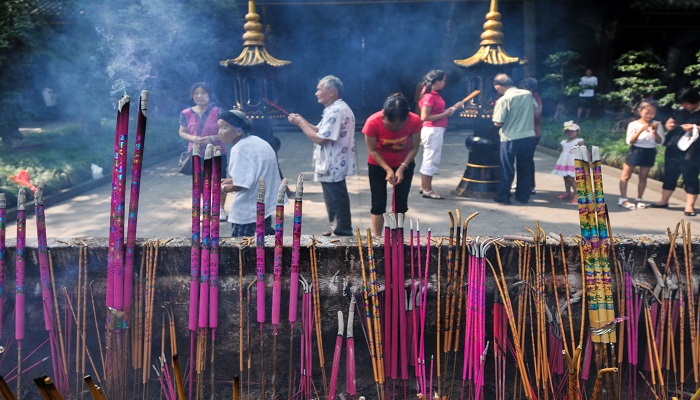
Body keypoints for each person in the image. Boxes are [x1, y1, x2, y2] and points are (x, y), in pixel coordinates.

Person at [287, 75, 355, 237]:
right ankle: (336, 227)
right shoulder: (333, 109)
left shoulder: (337, 110)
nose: (316, 93)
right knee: (333, 197)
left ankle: (342, 231)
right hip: (333, 162)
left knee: (336, 198)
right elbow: (320, 130)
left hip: (334, 162)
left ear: (331, 92)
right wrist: (301, 120)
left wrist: (301, 123)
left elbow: (320, 139)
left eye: (319, 89)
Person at [362, 93, 422, 236]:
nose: (396, 125)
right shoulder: (373, 122)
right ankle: (377, 239)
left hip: (404, 163)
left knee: (400, 204)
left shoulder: (414, 121)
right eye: (392, 121)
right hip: (378, 164)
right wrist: (388, 169)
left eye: (400, 122)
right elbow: (372, 150)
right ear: (384, 115)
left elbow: (414, 147)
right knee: (378, 204)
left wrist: (401, 168)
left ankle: (396, 237)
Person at [218, 109, 282, 236]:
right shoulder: (257, 141)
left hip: (248, 212)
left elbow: (241, 185)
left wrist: (224, 188)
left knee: (246, 251)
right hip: (264, 207)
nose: (219, 132)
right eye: (219, 128)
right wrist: (233, 180)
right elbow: (256, 173)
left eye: (224, 128)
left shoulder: (239, 149)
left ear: (238, 130)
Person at [179, 82, 229, 220]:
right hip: (196, 153)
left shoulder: (218, 112)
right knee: (200, 182)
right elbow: (182, 132)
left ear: (209, 95)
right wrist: (193, 138)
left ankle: (221, 209)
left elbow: (226, 132)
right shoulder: (186, 113)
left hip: (217, 151)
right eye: (196, 93)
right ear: (192, 96)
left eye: (203, 93)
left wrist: (212, 138)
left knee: (219, 180)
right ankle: (206, 209)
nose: (199, 96)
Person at [651, 88, 700, 216]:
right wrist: (669, 124)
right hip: (673, 146)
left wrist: (695, 128)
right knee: (670, 173)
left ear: (694, 101)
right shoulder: (680, 110)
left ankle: (690, 206)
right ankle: (664, 200)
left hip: (693, 150)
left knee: (690, 175)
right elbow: (671, 121)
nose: (683, 106)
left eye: (685, 103)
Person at [491, 73, 538, 205]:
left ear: (498, 86)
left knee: (507, 168)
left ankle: (504, 196)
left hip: (510, 138)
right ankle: (523, 197)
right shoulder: (527, 94)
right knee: (525, 167)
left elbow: (498, 122)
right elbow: (534, 107)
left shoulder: (503, 100)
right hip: (528, 136)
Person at [416, 70, 463, 199]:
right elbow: (425, 116)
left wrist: (452, 109)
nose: (444, 83)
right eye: (443, 80)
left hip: (435, 130)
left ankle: (424, 186)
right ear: (437, 81)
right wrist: (446, 114)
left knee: (429, 158)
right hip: (433, 130)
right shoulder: (429, 96)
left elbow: (439, 112)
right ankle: (427, 189)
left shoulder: (432, 94)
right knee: (431, 159)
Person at [618, 101, 664, 210]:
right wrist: (640, 130)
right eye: (647, 112)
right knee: (626, 176)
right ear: (640, 111)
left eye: (652, 113)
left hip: (649, 151)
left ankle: (639, 198)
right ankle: (623, 198)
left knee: (643, 177)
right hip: (635, 151)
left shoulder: (658, 124)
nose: (649, 115)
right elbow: (630, 141)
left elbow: (660, 142)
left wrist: (655, 132)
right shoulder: (633, 124)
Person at [519, 77, 542, 194]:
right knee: (522, 159)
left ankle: (530, 185)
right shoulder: (525, 97)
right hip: (524, 133)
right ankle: (523, 183)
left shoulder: (535, 98)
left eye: (523, 87)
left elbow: (536, 115)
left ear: (531, 88)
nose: (521, 89)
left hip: (532, 133)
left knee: (527, 160)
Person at [551, 121, 584, 202]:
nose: (570, 133)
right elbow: (563, 151)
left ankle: (577, 195)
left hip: (572, 161)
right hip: (564, 161)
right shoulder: (564, 142)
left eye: (572, 131)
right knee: (565, 177)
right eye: (568, 131)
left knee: (571, 178)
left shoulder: (579, 141)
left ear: (577, 132)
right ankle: (567, 192)